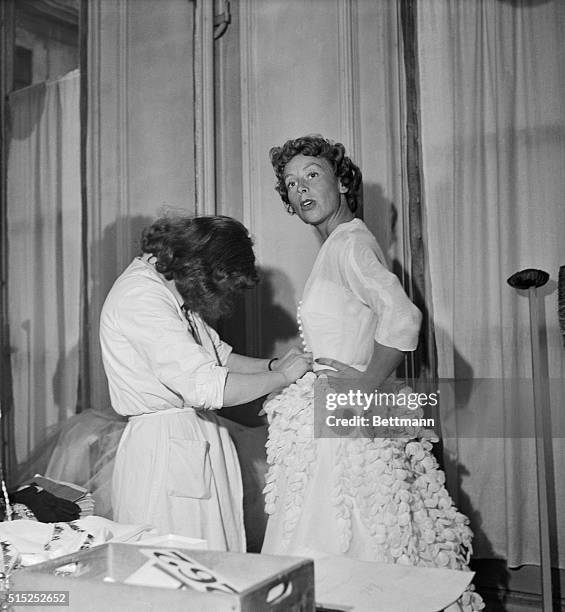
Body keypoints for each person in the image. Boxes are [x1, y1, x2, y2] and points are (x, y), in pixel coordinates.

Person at [261, 136, 484, 611]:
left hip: (347, 424)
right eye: (291, 183)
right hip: (336, 418)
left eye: (313, 175)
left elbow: (404, 318)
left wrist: (362, 387)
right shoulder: (340, 244)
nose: (301, 189)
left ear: (342, 181)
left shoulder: (351, 244)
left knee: (349, 547)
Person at [99, 214, 311, 552]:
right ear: (204, 269)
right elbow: (207, 386)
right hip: (166, 452)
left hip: (190, 442)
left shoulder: (170, 286)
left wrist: (273, 365)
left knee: (212, 560)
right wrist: (282, 377)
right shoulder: (141, 298)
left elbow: (220, 358)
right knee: (178, 568)